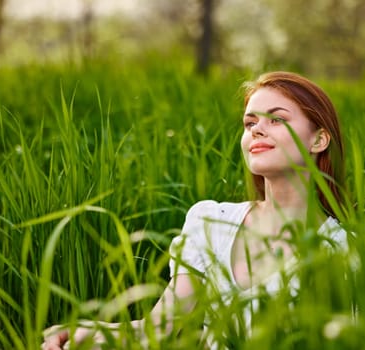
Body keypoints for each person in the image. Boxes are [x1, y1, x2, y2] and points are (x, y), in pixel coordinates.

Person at [42, 71, 348, 350]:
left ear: (319, 139)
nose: (257, 130)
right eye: (250, 123)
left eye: (276, 120)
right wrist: (86, 332)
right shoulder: (213, 222)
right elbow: (158, 330)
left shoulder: (345, 249)